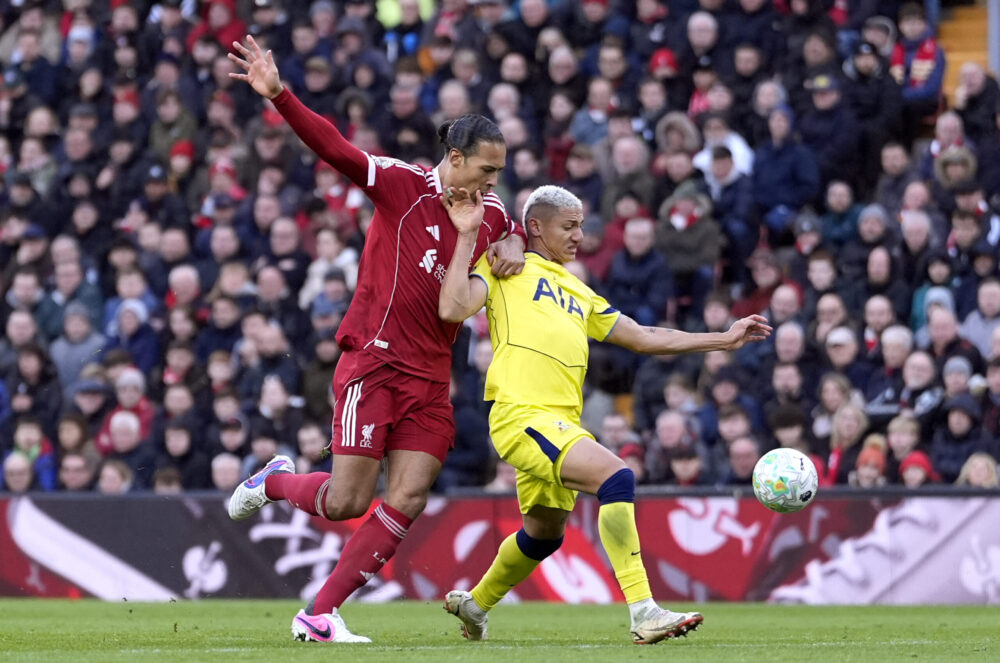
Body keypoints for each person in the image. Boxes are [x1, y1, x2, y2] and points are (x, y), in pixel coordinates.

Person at [223, 36, 526, 644]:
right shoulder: (399, 184)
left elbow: (511, 231)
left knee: (408, 497)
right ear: (457, 156)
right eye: (488, 167)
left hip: (432, 377)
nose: (496, 179)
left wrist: (515, 239)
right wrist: (280, 96)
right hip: (376, 364)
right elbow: (334, 147)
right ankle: (276, 481)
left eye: (500, 171)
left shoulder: (492, 213)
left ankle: (319, 614)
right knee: (344, 503)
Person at [435, 185, 771, 643]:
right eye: (569, 226)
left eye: (582, 226)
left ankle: (476, 604)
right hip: (522, 414)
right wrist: (481, 241)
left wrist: (723, 338)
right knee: (617, 478)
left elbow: (643, 336)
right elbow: (453, 306)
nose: (579, 236)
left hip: (558, 422)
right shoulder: (504, 266)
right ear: (536, 227)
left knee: (543, 535)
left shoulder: (578, 288)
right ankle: (643, 611)